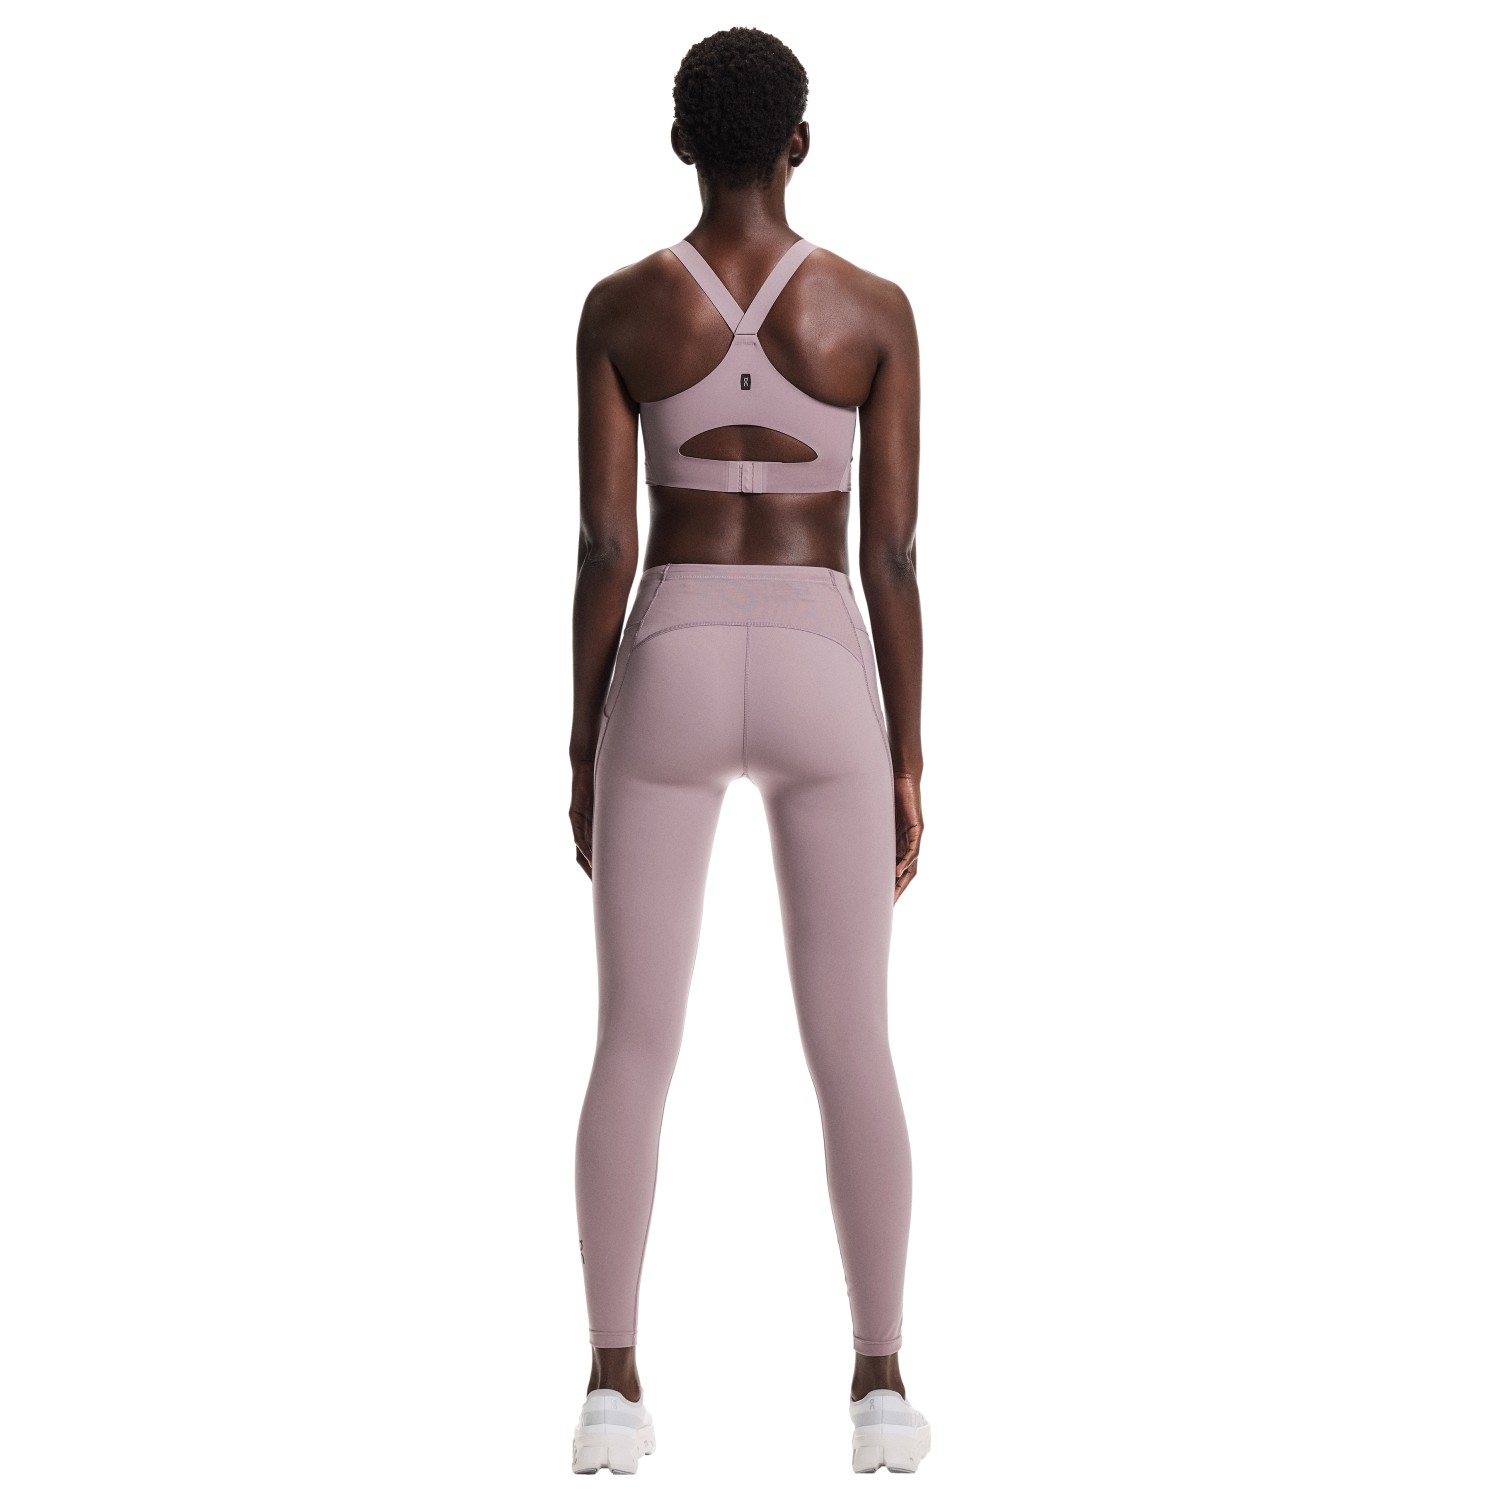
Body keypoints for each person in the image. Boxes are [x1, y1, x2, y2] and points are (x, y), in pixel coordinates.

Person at [567, 27, 931, 1475]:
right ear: (800, 142)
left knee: (633, 1040)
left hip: (667, 649)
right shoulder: (873, 311)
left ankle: (610, 1388)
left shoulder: (619, 309)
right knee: (852, 1042)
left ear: (680, 143)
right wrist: (908, 755)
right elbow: (892, 556)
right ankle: (882, 1389)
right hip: (820, 656)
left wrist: (581, 738)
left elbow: (605, 546)